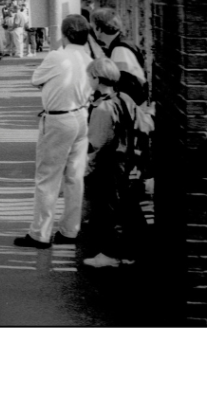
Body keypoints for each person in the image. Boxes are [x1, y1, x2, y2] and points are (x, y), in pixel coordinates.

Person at [14, 14, 94, 249]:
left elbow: (35, 79)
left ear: (66, 33)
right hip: (81, 116)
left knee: (48, 177)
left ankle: (40, 233)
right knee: (74, 176)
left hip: (58, 119)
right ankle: (70, 230)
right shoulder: (88, 57)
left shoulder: (57, 56)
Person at [81, 57, 144, 268]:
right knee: (126, 207)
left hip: (109, 164)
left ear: (97, 78)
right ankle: (130, 253)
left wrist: (86, 166)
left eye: (89, 76)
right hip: (128, 160)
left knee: (108, 210)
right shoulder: (124, 98)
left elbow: (96, 143)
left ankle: (110, 254)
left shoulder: (101, 109)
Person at [90, 9, 148, 106]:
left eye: (93, 26)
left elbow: (125, 85)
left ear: (99, 29)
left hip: (132, 107)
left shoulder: (120, 50)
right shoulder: (121, 44)